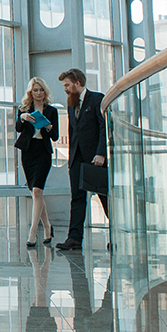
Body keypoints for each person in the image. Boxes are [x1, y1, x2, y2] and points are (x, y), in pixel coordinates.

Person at [55, 68, 109, 251]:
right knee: (77, 199)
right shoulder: (71, 104)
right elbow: (73, 132)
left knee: (104, 198)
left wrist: (101, 153)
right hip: (77, 159)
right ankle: (74, 238)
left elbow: (104, 128)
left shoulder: (96, 99)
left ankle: (116, 235)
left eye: (67, 85)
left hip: (95, 158)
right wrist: (71, 160)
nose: (65, 89)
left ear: (78, 83)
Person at [16, 77, 59, 247]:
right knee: (36, 194)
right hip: (28, 152)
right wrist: (23, 118)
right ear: (31, 92)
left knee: (37, 191)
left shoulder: (52, 111)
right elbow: (18, 129)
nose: (39, 93)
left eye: (41, 90)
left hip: (43, 151)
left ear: (45, 91)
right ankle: (48, 227)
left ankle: (33, 231)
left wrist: (49, 128)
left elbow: (55, 136)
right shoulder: (24, 109)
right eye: (35, 90)